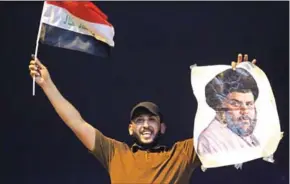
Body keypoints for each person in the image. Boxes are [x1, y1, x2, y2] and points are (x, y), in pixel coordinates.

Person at [28, 53, 256, 183]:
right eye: (139, 121)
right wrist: (46, 84)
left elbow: (229, 127)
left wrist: (241, 83)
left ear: (162, 127)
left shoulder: (182, 154)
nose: (145, 125)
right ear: (130, 128)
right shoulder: (115, 153)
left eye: (151, 120)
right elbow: (75, 122)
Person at [197, 67, 260, 156]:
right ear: (219, 108)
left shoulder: (248, 136)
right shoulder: (210, 141)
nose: (245, 111)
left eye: (249, 104)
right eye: (235, 104)